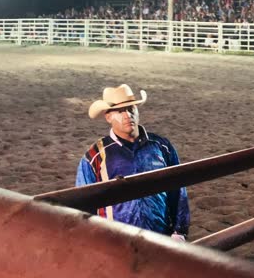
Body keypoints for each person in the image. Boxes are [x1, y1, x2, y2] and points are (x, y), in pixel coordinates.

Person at [76, 84, 190, 240]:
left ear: (137, 111)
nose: (127, 115)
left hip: (161, 236)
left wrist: (179, 231)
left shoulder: (162, 146)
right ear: (108, 117)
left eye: (131, 109)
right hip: (116, 241)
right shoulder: (94, 156)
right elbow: (84, 203)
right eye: (120, 111)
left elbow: (178, 189)